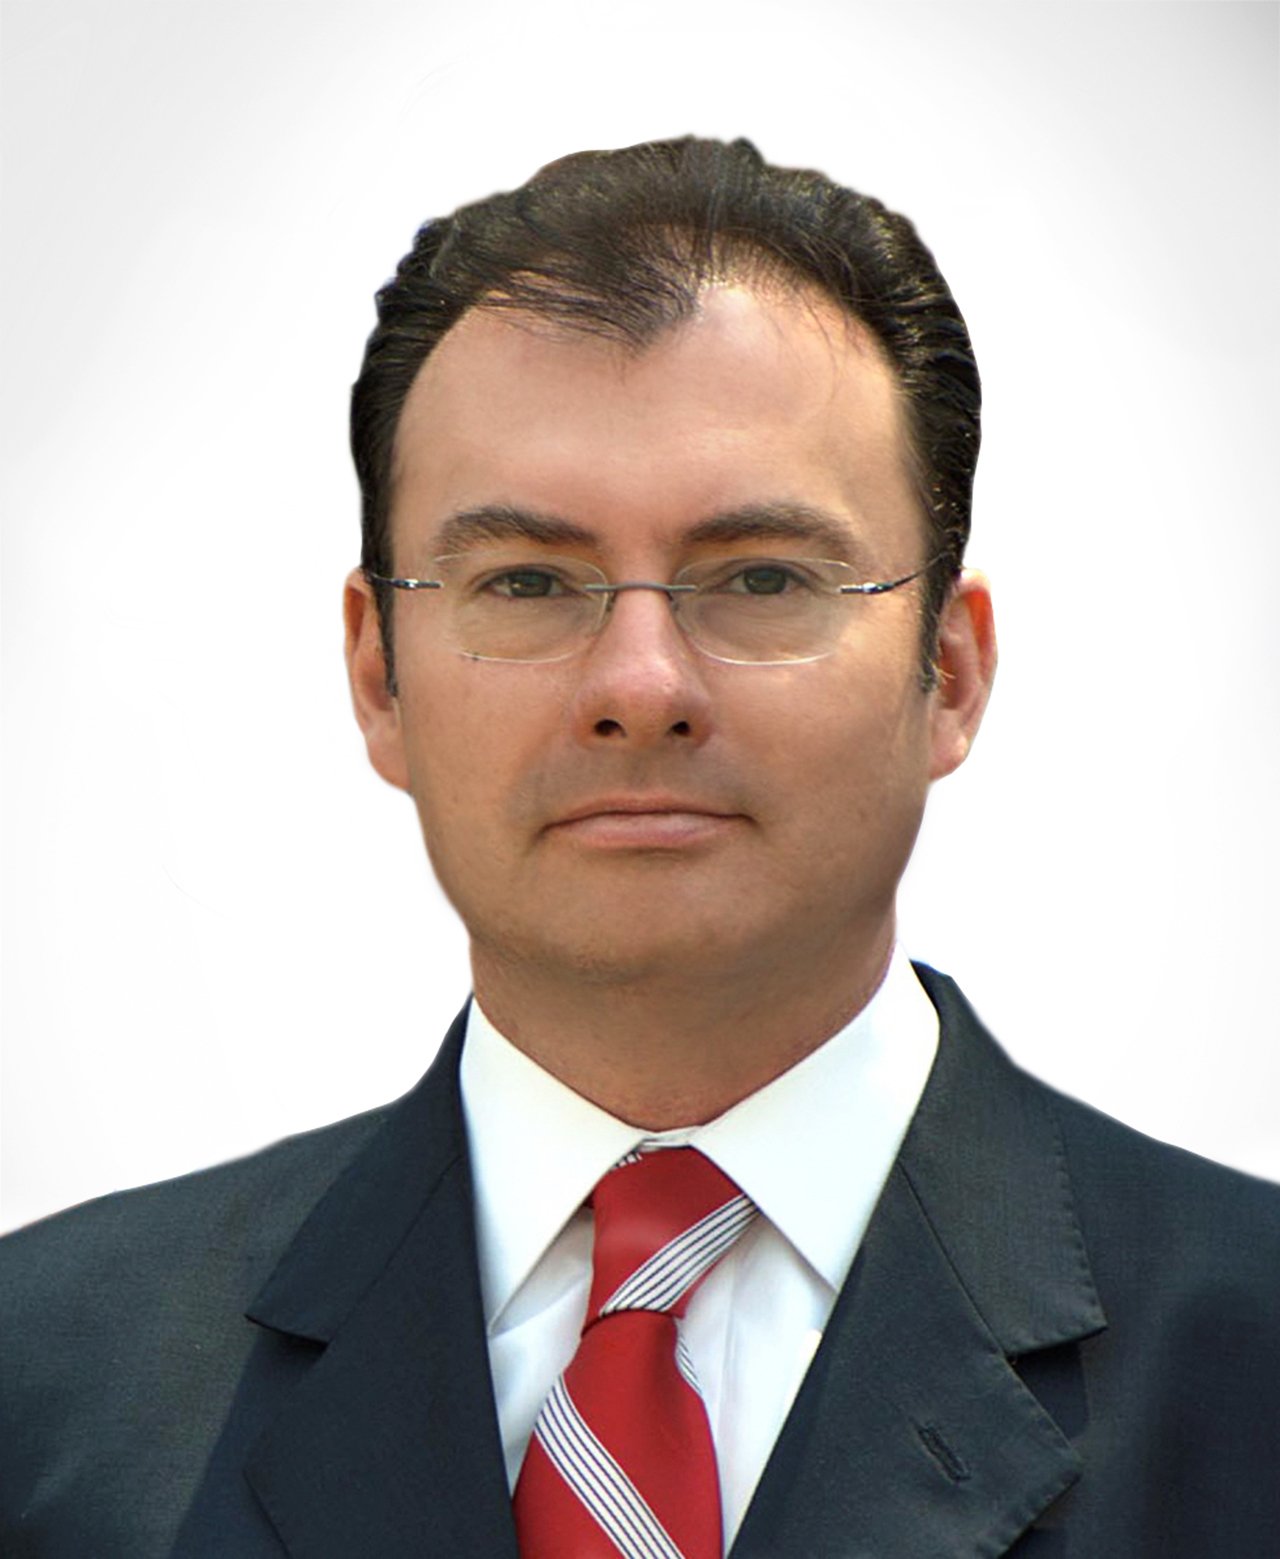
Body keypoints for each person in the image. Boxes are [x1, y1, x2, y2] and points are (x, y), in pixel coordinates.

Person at [1, 136, 1276, 1558]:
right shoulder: (43, 1389)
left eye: (763, 578)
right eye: (527, 582)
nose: (640, 686)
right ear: (379, 676)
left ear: (953, 672)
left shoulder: (1251, 1359)